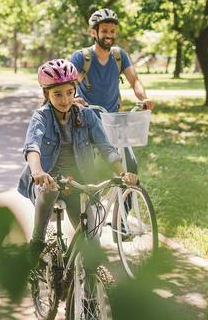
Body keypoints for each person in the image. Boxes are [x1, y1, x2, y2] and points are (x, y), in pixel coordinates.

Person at [18, 59, 138, 262]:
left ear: (75, 91)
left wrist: (121, 172)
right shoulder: (41, 117)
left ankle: (89, 290)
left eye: (69, 92)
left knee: (92, 247)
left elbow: (106, 147)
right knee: (50, 188)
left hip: (77, 183)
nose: (64, 99)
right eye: (57, 94)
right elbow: (33, 146)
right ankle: (37, 241)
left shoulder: (87, 116)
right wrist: (37, 172)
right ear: (46, 94)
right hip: (48, 179)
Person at [70, 8, 153, 174]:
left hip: (113, 121)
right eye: (105, 31)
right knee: (91, 172)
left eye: (113, 31)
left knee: (130, 167)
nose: (109, 35)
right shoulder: (82, 57)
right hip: (88, 122)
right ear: (94, 32)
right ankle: (92, 199)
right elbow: (70, 86)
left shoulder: (119, 56)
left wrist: (144, 98)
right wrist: (76, 97)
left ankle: (126, 199)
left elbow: (134, 80)